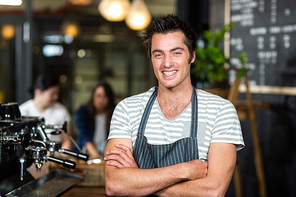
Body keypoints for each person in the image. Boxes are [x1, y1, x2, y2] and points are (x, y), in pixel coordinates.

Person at [104, 14, 245, 196]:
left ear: (192, 56)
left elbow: (212, 191)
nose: (167, 63)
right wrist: (184, 170)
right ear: (150, 60)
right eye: (158, 54)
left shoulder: (220, 111)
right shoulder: (127, 109)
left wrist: (138, 178)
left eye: (176, 52)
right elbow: (114, 185)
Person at [19, 74, 72, 150]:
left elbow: (67, 142)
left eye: (57, 93)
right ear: (38, 92)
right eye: (52, 93)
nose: (56, 97)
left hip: (56, 158)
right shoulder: (23, 111)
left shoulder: (61, 110)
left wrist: (58, 157)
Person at [75, 81, 115, 157]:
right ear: (93, 96)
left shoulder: (115, 114)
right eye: (98, 96)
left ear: (110, 99)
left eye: (105, 96)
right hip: (86, 155)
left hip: (107, 156)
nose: (101, 100)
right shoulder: (83, 113)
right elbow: (85, 138)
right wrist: (98, 158)